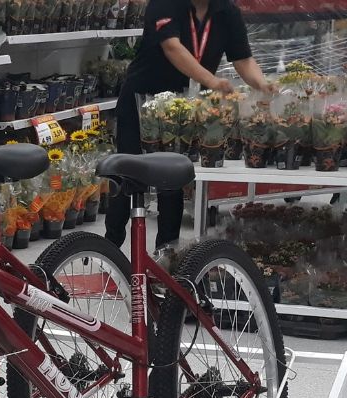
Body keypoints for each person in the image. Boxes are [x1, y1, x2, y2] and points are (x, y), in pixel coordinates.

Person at [106, 0, 271, 252]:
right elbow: (172, 47)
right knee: (126, 175)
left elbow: (243, 59)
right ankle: (109, 247)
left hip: (185, 111)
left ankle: (166, 254)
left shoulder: (226, 11)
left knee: (172, 182)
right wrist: (212, 81)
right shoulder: (165, 4)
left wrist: (263, 85)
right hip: (142, 104)